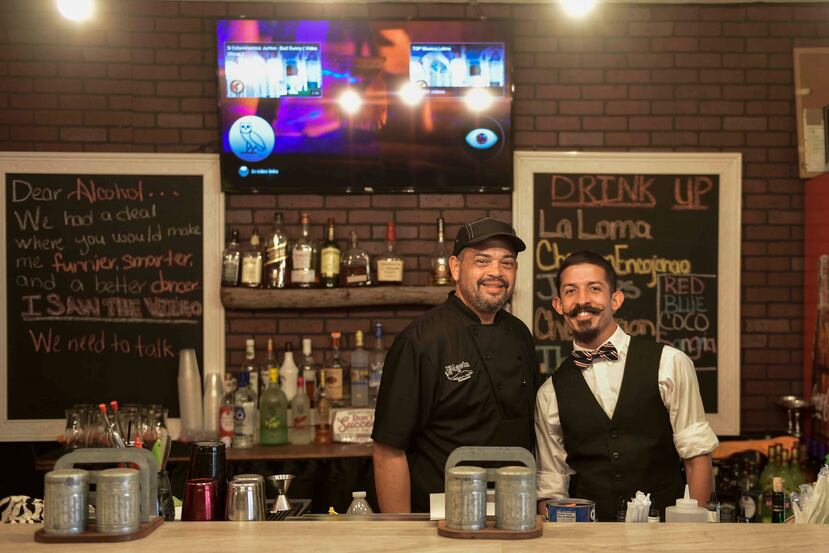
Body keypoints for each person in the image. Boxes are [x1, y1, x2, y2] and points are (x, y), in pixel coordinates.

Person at [371, 217, 540, 513]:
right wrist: (398, 533)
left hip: (514, 510)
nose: (496, 273)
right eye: (483, 261)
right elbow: (388, 449)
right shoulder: (421, 341)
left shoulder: (520, 335)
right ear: (455, 267)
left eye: (507, 263)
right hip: (441, 515)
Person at [535, 251, 719, 521]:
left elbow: (696, 457)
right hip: (590, 541)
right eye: (571, 291)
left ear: (616, 299)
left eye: (594, 289)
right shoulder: (550, 392)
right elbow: (551, 484)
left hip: (666, 536)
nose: (582, 300)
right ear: (559, 304)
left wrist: (696, 536)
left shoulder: (669, 364)